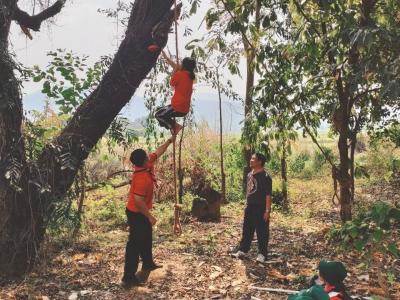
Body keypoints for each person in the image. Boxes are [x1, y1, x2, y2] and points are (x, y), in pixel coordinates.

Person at [122, 135, 176, 288]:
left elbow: (159, 152)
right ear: (144, 161)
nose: (149, 156)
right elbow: (138, 202)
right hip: (136, 212)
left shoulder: (146, 165)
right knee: (134, 243)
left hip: (142, 210)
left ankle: (148, 263)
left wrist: (171, 139)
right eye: (147, 156)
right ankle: (128, 276)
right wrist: (150, 217)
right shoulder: (141, 178)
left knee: (146, 237)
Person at [231, 153, 272, 263]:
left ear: (259, 162)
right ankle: (243, 250)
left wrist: (267, 211)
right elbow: (249, 190)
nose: (251, 160)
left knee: (262, 231)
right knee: (247, 229)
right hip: (250, 207)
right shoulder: (250, 174)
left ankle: (262, 254)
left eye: (253, 159)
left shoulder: (266, 177)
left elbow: (268, 195)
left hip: (261, 208)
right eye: (251, 158)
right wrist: (246, 202)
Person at [155, 50, 196, 135]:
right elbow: (176, 66)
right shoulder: (190, 76)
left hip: (178, 107)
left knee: (159, 115)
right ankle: (173, 126)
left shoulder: (180, 74)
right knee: (159, 111)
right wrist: (166, 58)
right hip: (183, 108)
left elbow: (171, 83)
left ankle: (175, 126)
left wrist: (174, 72)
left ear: (184, 66)